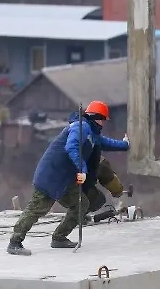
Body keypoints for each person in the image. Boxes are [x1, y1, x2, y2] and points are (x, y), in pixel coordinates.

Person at [7, 100, 130, 256]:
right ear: (95, 117)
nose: (103, 123)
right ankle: (14, 242)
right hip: (51, 176)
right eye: (102, 119)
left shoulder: (91, 132)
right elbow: (71, 146)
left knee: (81, 204)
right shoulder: (81, 127)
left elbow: (106, 143)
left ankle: (59, 238)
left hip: (64, 180)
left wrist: (124, 145)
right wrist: (82, 169)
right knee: (37, 209)